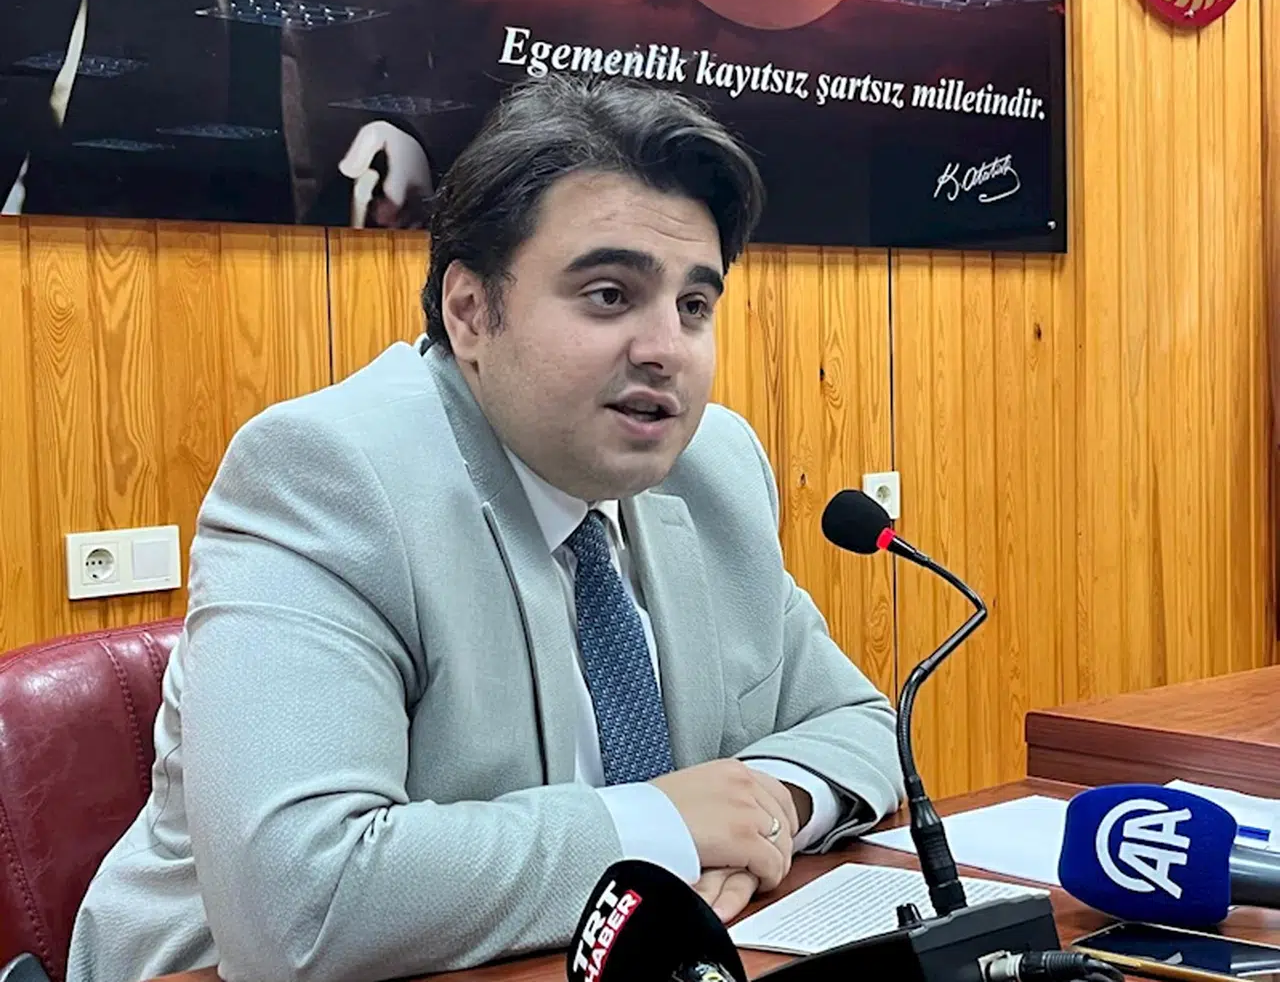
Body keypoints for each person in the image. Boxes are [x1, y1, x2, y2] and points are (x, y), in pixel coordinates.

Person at [65, 73, 905, 982]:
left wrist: (766, 804)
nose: (667, 348)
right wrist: (661, 828)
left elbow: (857, 722)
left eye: (693, 306)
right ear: (469, 311)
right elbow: (297, 904)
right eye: (609, 295)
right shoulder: (328, 477)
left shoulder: (714, 468)